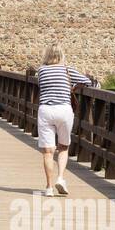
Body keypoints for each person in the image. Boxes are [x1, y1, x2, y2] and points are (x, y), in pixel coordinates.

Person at [35, 44, 94, 197]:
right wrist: (74, 87)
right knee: (63, 147)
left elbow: (43, 87)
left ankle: (48, 187)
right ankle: (60, 178)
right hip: (64, 109)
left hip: (46, 110)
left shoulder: (41, 70)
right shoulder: (68, 70)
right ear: (61, 54)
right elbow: (89, 82)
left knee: (48, 151)